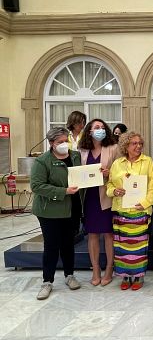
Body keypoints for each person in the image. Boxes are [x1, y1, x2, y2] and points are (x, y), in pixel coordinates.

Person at [30, 127, 82, 300]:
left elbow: (80, 175)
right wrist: (64, 191)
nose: (63, 144)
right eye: (59, 142)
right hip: (49, 210)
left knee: (68, 243)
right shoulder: (43, 161)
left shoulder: (74, 156)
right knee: (52, 245)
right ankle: (47, 281)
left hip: (72, 208)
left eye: (65, 140)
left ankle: (69, 275)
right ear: (51, 143)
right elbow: (37, 186)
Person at [106, 131, 153, 291]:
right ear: (125, 146)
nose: (138, 146)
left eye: (140, 143)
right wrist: (114, 191)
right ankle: (125, 276)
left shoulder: (148, 162)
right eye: (134, 143)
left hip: (140, 211)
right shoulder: (117, 164)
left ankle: (138, 276)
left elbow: (152, 186)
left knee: (138, 247)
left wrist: (145, 203)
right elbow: (109, 185)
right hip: (121, 211)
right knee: (122, 247)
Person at [79, 119, 120, 287]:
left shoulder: (113, 148)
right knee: (93, 234)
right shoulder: (81, 150)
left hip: (107, 196)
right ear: (89, 131)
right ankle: (95, 269)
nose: (100, 130)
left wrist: (110, 173)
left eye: (103, 127)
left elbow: (122, 172)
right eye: (97, 127)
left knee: (109, 234)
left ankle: (109, 269)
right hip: (89, 197)